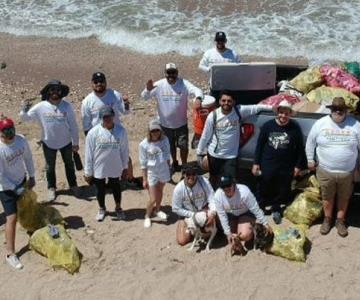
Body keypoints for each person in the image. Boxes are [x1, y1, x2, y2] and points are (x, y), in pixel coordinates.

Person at [306, 97, 360, 237]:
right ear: (330, 110)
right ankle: (327, 220)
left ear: (346, 110)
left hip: (348, 172)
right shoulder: (320, 123)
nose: (338, 111)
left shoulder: (355, 124)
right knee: (327, 197)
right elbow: (310, 142)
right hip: (325, 170)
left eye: (341, 109)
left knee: (344, 197)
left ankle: (340, 221)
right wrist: (310, 159)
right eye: (335, 109)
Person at [197, 90, 272, 188]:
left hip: (231, 156)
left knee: (230, 183)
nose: (226, 103)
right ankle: (215, 200)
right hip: (214, 155)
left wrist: (273, 108)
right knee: (214, 180)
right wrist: (199, 152)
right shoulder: (213, 116)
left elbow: (256, 108)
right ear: (219, 102)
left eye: (229, 101)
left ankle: (228, 201)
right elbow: (205, 136)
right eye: (223, 100)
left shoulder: (239, 111)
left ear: (234, 102)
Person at [20, 80, 80, 202]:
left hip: (66, 142)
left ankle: (73, 185)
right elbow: (26, 119)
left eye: (57, 90)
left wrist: (76, 142)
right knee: (50, 167)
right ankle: (51, 188)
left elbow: (73, 125)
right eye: (52, 89)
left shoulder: (66, 106)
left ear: (61, 92)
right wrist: (23, 110)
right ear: (48, 91)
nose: (55, 92)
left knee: (69, 164)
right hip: (48, 143)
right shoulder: (41, 106)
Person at [81, 72, 141, 188]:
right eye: (96, 82)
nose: (99, 84)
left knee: (124, 155)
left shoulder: (114, 95)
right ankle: (101, 181)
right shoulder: (87, 101)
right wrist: (89, 138)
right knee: (99, 159)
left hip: (116, 132)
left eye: (101, 81)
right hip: (98, 135)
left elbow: (125, 111)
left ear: (105, 82)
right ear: (92, 84)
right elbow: (86, 122)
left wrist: (126, 103)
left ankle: (129, 178)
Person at [141, 63, 203, 173]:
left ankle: (184, 166)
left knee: (183, 146)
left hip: (181, 123)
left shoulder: (183, 84)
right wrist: (147, 89)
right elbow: (144, 97)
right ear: (165, 73)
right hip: (164, 125)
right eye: (168, 72)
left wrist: (198, 98)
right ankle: (175, 162)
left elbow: (197, 90)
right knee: (170, 146)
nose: (171, 75)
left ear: (177, 73)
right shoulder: (159, 84)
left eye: (173, 72)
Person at [252, 100, 306, 223]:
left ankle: (276, 208)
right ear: (278, 112)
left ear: (289, 114)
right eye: (281, 113)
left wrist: (298, 166)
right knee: (263, 185)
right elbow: (259, 145)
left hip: (286, 165)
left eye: (286, 113)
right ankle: (261, 207)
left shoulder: (294, 128)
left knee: (281, 188)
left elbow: (299, 149)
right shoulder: (268, 126)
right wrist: (256, 163)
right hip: (267, 163)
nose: (283, 116)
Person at [0, 118, 35, 269]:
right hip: (5, 188)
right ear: (1, 133)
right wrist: (14, 188)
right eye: (6, 131)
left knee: (26, 208)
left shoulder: (21, 140)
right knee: (12, 218)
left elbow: (28, 158)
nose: (10, 133)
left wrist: (32, 175)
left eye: (12, 129)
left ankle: (30, 230)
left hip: (21, 180)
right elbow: (0, 176)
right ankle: (11, 254)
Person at [84, 106, 129, 222]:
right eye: (105, 117)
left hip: (115, 165)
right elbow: (88, 153)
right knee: (100, 188)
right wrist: (88, 172)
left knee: (116, 186)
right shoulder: (93, 133)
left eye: (109, 116)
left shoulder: (121, 131)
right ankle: (102, 208)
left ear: (113, 116)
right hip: (99, 167)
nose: (107, 119)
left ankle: (118, 208)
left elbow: (124, 150)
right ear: (101, 118)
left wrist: (125, 167)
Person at [214, 176, 271, 253]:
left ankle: (252, 229)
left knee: (245, 235)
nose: (226, 188)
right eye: (223, 187)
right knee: (229, 233)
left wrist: (265, 223)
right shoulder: (218, 195)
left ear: (234, 184)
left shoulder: (244, 191)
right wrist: (228, 233)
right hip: (231, 215)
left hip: (245, 213)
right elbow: (222, 215)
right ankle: (237, 238)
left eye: (228, 185)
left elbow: (255, 208)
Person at [172, 162, 216, 246]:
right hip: (188, 215)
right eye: (188, 174)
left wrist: (212, 213)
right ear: (183, 174)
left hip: (205, 210)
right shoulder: (178, 188)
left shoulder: (204, 181)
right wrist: (193, 215)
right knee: (182, 240)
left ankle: (204, 231)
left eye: (194, 173)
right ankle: (197, 231)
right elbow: (175, 208)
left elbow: (212, 199)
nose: (191, 176)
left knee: (216, 218)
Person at [139, 119, 171, 228]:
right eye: (153, 131)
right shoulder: (143, 144)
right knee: (152, 198)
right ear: (149, 131)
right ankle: (147, 216)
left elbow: (167, 155)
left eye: (157, 130)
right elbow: (143, 163)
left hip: (163, 169)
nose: (155, 132)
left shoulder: (165, 140)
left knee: (160, 191)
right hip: (152, 171)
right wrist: (144, 179)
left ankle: (157, 210)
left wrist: (168, 168)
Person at [199, 31, 241, 100]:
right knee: (214, 104)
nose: (220, 42)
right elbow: (201, 65)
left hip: (229, 85)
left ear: (225, 41)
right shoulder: (209, 53)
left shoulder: (233, 54)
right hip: (214, 86)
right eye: (218, 40)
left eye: (222, 40)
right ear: (215, 41)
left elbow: (240, 67)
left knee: (228, 105)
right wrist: (209, 69)